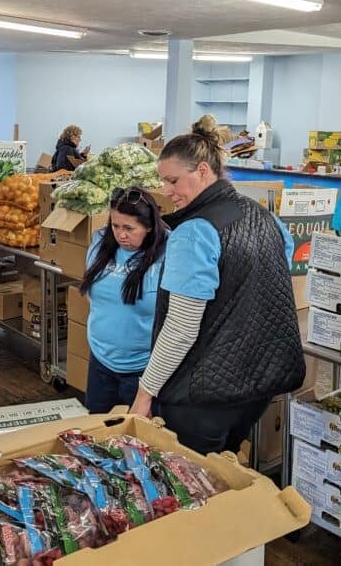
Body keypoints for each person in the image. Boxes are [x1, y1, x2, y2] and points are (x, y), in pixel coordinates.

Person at [129, 115, 304, 454]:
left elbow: (181, 328)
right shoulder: (266, 217)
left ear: (204, 172)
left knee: (194, 484)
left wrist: (144, 393)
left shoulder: (194, 233)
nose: (166, 191)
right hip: (258, 386)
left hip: (203, 395)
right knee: (226, 465)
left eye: (173, 180)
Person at [79, 186, 168, 414]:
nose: (121, 235)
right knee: (98, 431)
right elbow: (94, 295)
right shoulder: (101, 242)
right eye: (115, 226)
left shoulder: (168, 252)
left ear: (148, 227)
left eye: (129, 228)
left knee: (136, 442)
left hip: (143, 371)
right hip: (100, 361)